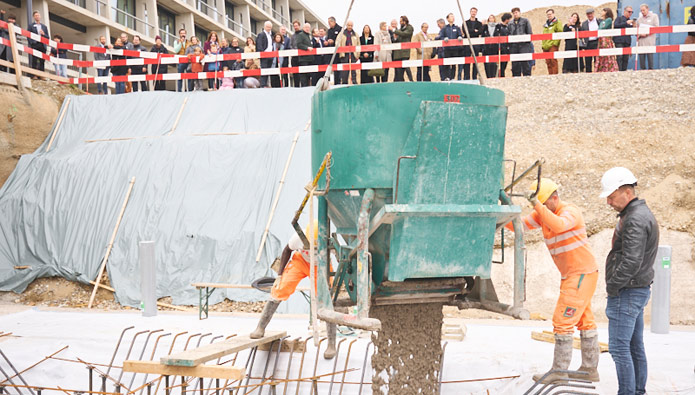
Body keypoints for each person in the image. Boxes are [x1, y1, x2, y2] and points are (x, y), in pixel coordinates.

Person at [505, 179, 600, 384]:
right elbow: (519, 226)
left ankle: (559, 372)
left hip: (580, 274)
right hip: (576, 275)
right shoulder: (544, 214)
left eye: (542, 204)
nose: (539, 210)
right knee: (585, 321)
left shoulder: (570, 212)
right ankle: (590, 370)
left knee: (562, 322)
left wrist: (537, 205)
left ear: (555, 198)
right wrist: (498, 216)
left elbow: (559, 226)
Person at [599, 167, 659, 395]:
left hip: (628, 291)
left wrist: (613, 286)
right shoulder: (639, 214)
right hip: (636, 290)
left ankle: (628, 392)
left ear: (626, 192)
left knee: (618, 348)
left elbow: (632, 261)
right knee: (634, 347)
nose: (608, 202)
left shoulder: (634, 218)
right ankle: (637, 391)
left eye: (611, 197)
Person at [251, 222, 337, 360]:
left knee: (327, 299)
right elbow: (287, 251)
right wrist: (280, 275)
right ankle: (260, 327)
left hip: (320, 265)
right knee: (281, 289)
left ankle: (331, 344)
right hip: (300, 261)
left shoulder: (329, 240)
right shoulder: (298, 237)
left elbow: (340, 255)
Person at [438, 13, 463, 81]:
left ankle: (452, 77)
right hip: (447, 49)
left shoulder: (457, 28)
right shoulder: (445, 28)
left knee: (454, 64)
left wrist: (460, 37)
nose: (453, 18)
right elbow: (441, 36)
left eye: (453, 16)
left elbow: (460, 35)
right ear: (448, 19)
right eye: (451, 16)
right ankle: (447, 77)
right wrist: (444, 39)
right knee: (447, 63)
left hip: (455, 49)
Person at [509, 7, 533, 77]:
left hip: (524, 45)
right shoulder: (510, 23)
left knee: (525, 62)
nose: (515, 14)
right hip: (514, 46)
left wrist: (527, 42)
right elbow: (509, 33)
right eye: (513, 13)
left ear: (519, 13)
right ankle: (516, 78)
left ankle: (527, 77)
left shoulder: (525, 21)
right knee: (515, 63)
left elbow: (529, 33)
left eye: (516, 12)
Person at [462, 7, 483, 80]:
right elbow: (465, 31)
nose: (473, 13)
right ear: (470, 12)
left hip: (476, 45)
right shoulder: (465, 23)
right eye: (472, 11)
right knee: (467, 61)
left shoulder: (479, 23)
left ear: (476, 13)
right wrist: (474, 31)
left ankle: (474, 77)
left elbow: (480, 31)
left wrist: (472, 31)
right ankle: (466, 78)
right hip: (467, 44)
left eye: (475, 12)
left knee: (475, 61)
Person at [595, 8, 619, 73]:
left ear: (606, 12)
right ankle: (601, 68)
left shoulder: (608, 20)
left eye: (603, 11)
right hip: (601, 39)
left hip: (606, 39)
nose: (601, 12)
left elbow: (602, 28)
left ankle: (609, 68)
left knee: (607, 54)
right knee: (601, 55)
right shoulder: (602, 21)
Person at [636, 4, 659, 70]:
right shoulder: (639, 19)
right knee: (642, 61)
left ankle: (650, 71)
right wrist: (640, 34)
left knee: (650, 60)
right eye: (641, 10)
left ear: (647, 9)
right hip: (641, 42)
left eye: (643, 10)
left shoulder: (654, 16)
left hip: (650, 41)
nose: (642, 12)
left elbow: (656, 28)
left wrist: (646, 34)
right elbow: (636, 30)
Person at [335, 21, 359, 85]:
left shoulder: (355, 34)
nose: (350, 27)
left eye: (351, 25)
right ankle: (344, 83)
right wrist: (341, 51)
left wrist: (357, 55)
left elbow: (358, 45)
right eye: (349, 25)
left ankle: (354, 83)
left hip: (353, 55)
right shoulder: (341, 34)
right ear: (346, 25)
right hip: (344, 55)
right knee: (345, 71)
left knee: (353, 70)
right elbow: (337, 42)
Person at [392, 16, 414, 82]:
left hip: (405, 52)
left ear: (405, 21)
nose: (400, 23)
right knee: (399, 70)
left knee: (406, 67)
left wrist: (394, 30)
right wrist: (395, 37)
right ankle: (401, 82)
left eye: (401, 21)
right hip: (398, 53)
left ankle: (411, 80)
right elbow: (397, 39)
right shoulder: (399, 29)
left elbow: (404, 34)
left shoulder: (409, 28)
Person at [613, 6, 635, 71]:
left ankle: (624, 70)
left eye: (631, 12)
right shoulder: (619, 19)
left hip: (627, 41)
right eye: (629, 12)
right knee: (619, 56)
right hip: (619, 41)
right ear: (624, 12)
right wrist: (626, 23)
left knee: (626, 57)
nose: (630, 13)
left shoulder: (631, 22)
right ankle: (619, 70)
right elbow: (616, 25)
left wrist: (634, 26)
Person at [542, 9, 563, 75]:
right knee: (548, 62)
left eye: (550, 14)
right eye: (548, 14)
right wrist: (543, 45)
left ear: (553, 14)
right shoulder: (545, 25)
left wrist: (555, 43)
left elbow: (560, 32)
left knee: (553, 60)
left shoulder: (557, 22)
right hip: (545, 45)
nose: (549, 16)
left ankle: (555, 75)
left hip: (552, 45)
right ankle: (550, 75)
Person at [28, 11, 49, 76]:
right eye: (36, 15)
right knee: (34, 59)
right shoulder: (31, 26)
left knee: (42, 60)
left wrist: (43, 34)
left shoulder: (44, 27)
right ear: (34, 17)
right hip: (35, 44)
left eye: (38, 15)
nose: (37, 17)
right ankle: (34, 75)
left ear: (40, 16)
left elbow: (48, 37)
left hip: (42, 44)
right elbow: (28, 35)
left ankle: (41, 75)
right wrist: (32, 43)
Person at [294, 23, 314, 87]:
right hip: (303, 58)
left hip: (310, 58)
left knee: (309, 74)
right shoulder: (301, 35)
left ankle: (308, 86)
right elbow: (299, 44)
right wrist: (307, 48)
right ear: (303, 28)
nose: (307, 29)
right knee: (304, 75)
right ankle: (304, 87)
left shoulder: (309, 36)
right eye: (306, 27)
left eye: (308, 27)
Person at [493, 13, 512, 77]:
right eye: (509, 19)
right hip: (500, 48)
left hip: (507, 49)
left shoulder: (508, 27)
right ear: (506, 19)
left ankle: (502, 76)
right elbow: (495, 36)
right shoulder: (498, 26)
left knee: (504, 65)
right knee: (499, 66)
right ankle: (500, 76)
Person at [256, 21, 274, 87]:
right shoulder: (261, 34)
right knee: (264, 69)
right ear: (264, 27)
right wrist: (262, 53)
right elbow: (259, 44)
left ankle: (265, 84)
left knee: (268, 70)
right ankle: (263, 84)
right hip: (264, 54)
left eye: (270, 27)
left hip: (270, 55)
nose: (269, 28)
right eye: (267, 27)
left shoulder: (271, 35)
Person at [290, 20, 302, 87]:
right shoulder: (293, 36)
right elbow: (291, 45)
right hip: (294, 57)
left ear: (299, 26)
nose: (295, 27)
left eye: (296, 26)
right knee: (295, 72)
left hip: (301, 57)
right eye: (294, 26)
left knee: (302, 73)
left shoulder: (302, 34)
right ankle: (296, 86)